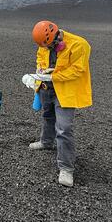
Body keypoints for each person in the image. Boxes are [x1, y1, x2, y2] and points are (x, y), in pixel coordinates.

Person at [27, 20, 92, 187]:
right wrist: (38, 76)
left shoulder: (79, 45)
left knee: (64, 128)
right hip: (46, 88)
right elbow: (40, 60)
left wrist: (53, 76)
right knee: (48, 116)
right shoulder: (43, 44)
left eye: (48, 46)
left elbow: (78, 70)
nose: (45, 49)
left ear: (55, 37)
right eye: (43, 46)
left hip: (66, 92)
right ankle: (46, 142)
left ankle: (66, 169)